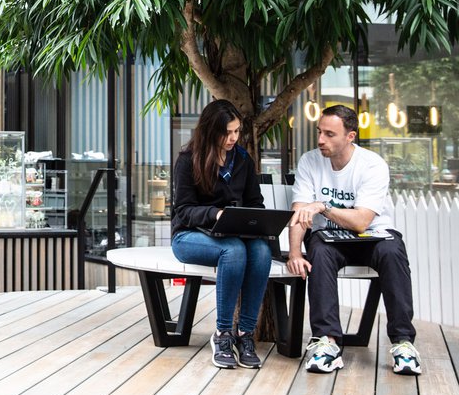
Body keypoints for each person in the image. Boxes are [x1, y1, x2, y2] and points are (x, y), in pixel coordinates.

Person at [287, 104, 420, 375]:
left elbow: (361, 221)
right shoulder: (310, 161)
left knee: (393, 252)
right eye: (319, 132)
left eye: (330, 134)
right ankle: (327, 342)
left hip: (373, 237)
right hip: (330, 239)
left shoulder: (372, 165)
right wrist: (294, 254)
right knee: (319, 251)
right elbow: (300, 213)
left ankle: (403, 343)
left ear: (350, 137)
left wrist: (323, 206)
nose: (321, 140)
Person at [171, 99, 271, 369]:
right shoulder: (187, 160)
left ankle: (244, 334)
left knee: (261, 251)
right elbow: (183, 211)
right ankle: (223, 333)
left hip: (233, 233)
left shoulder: (242, 160)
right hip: (189, 235)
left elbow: (255, 202)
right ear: (210, 130)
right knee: (234, 251)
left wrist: (252, 220)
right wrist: (215, 214)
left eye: (237, 131)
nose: (233, 138)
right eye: (226, 132)